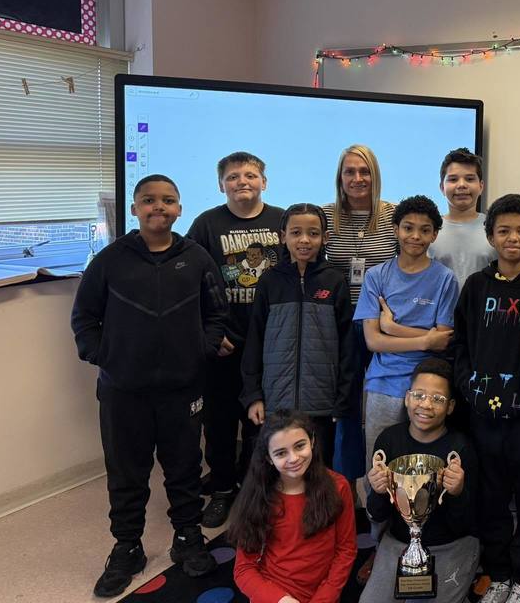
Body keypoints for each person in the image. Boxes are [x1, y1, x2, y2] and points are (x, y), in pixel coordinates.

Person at [71, 174, 225, 597]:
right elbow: (84, 317)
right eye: (149, 200)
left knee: (184, 468)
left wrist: (204, 349)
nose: (159, 207)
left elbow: (217, 312)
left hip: (183, 387)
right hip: (123, 390)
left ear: (179, 209)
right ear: (135, 208)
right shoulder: (109, 260)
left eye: (169, 201)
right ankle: (127, 547)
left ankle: (187, 537)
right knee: (126, 472)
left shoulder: (196, 258)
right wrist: (102, 354)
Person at [452, 194, 520, 603]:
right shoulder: (476, 285)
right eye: (503, 231)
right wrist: (467, 385)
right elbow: (460, 342)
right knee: (491, 498)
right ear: (490, 236)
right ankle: (497, 572)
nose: (513, 238)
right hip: (482, 415)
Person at [187, 151, 284, 527]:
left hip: (270, 343)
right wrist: (213, 333)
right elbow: (190, 283)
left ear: (264, 181)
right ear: (221, 184)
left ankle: (254, 484)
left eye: (250, 174)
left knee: (262, 421)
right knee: (221, 422)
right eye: (232, 176)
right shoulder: (206, 224)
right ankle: (224, 488)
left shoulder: (282, 220)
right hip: (225, 343)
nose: (242, 181)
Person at [240, 204, 355, 466]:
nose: (304, 240)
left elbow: (348, 346)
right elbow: (254, 342)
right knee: (278, 473)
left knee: (319, 472)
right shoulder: (270, 281)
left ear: (325, 238)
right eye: (296, 233)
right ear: (283, 236)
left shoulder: (334, 281)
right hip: (275, 403)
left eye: (313, 233)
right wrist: (253, 396)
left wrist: (343, 400)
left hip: (322, 404)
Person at [354, 195, 459, 471]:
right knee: (378, 463)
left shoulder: (445, 278)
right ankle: (377, 515)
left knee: (422, 467)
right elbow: (373, 340)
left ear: (435, 235)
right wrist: (424, 338)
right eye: (408, 227)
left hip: (429, 384)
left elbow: (443, 341)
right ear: (395, 229)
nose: (415, 236)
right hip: (383, 382)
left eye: (425, 230)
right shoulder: (377, 276)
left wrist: (392, 328)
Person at [362, 359, 479, 603]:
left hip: (450, 544)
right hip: (399, 542)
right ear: (406, 398)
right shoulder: (389, 440)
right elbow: (377, 513)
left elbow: (466, 524)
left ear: (450, 406)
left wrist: (457, 492)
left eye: (438, 399)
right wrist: (378, 490)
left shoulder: (460, 447)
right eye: (419, 395)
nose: (425, 404)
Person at [322, 145, 397, 485]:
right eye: (349, 172)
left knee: (385, 406)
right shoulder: (325, 216)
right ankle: (345, 488)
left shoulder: (393, 216)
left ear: (375, 175)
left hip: (382, 325)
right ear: (340, 177)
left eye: (364, 171)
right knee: (347, 408)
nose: (357, 178)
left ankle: (387, 481)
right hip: (339, 325)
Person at [228, 410, 357, 603]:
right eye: (281, 453)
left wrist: (324, 597)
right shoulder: (260, 496)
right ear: (269, 458)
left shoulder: (339, 487)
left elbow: (346, 550)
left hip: (324, 595)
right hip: (275, 594)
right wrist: (279, 599)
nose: (294, 458)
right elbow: (244, 569)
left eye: (300, 446)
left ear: (312, 441)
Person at [428, 147, 496, 284]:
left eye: (470, 179)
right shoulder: (429, 231)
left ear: (481, 186)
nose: (462, 185)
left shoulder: (495, 228)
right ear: (442, 187)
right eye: (453, 179)